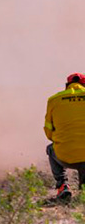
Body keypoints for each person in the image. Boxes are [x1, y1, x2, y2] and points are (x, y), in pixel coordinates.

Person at [45, 73, 85, 201]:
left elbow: (48, 132)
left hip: (65, 155)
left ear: (67, 86)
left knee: (51, 149)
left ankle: (62, 185)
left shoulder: (53, 100)